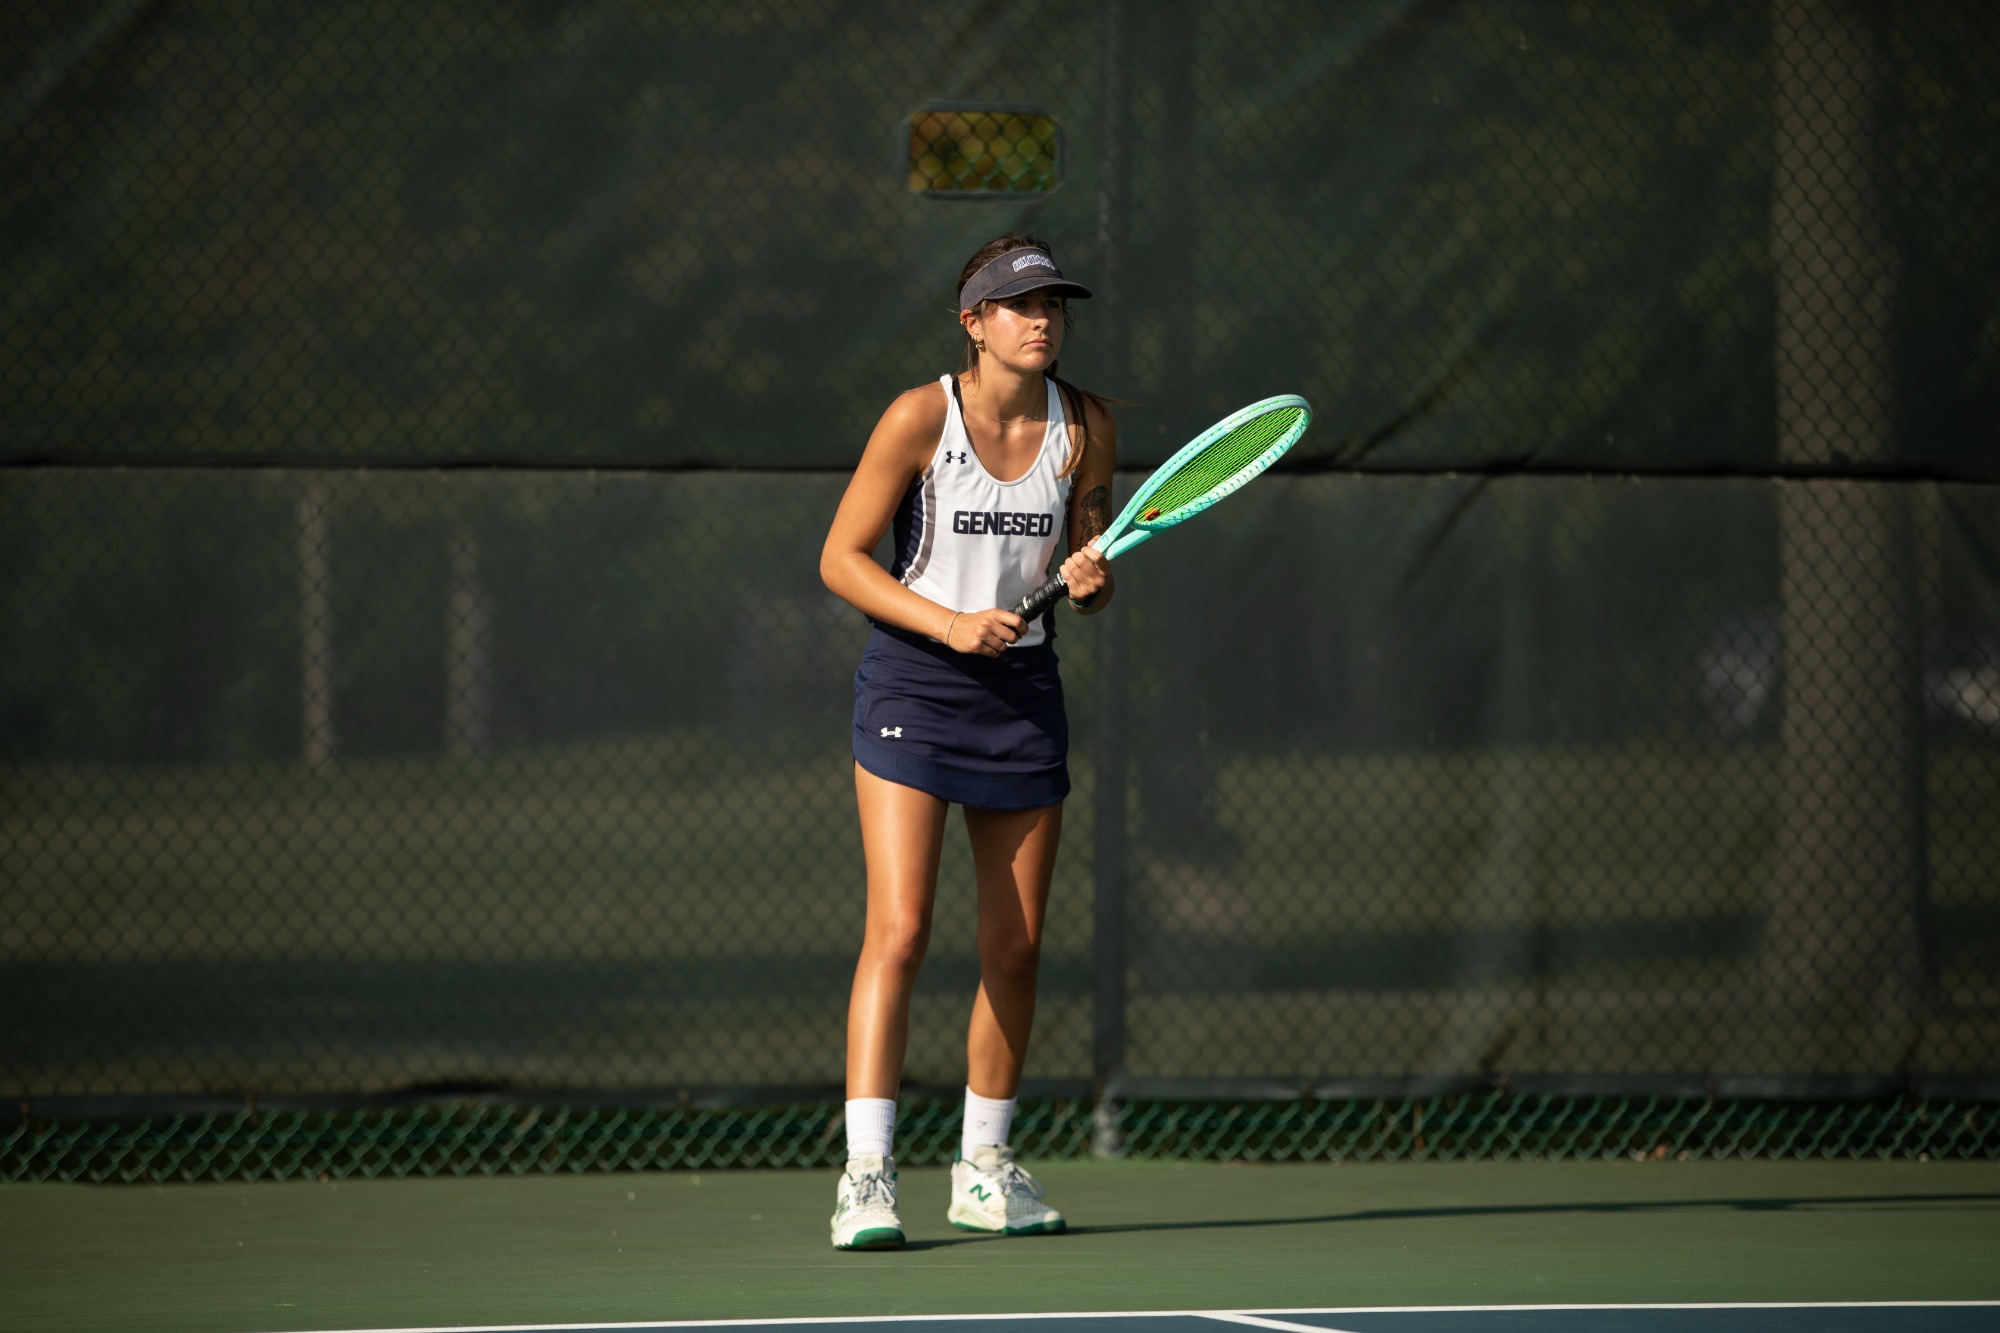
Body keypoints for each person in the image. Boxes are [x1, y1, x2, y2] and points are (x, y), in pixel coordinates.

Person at [817, 232, 1118, 1251]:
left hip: (1021, 693)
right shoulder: (917, 417)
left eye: (1053, 305)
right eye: (1019, 304)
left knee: (1017, 947)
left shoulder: (1087, 429)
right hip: (915, 678)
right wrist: (943, 623)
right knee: (899, 930)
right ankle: (866, 1176)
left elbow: (1091, 556)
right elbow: (840, 558)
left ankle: (983, 1167)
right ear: (972, 322)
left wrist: (1091, 579)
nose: (1041, 319)